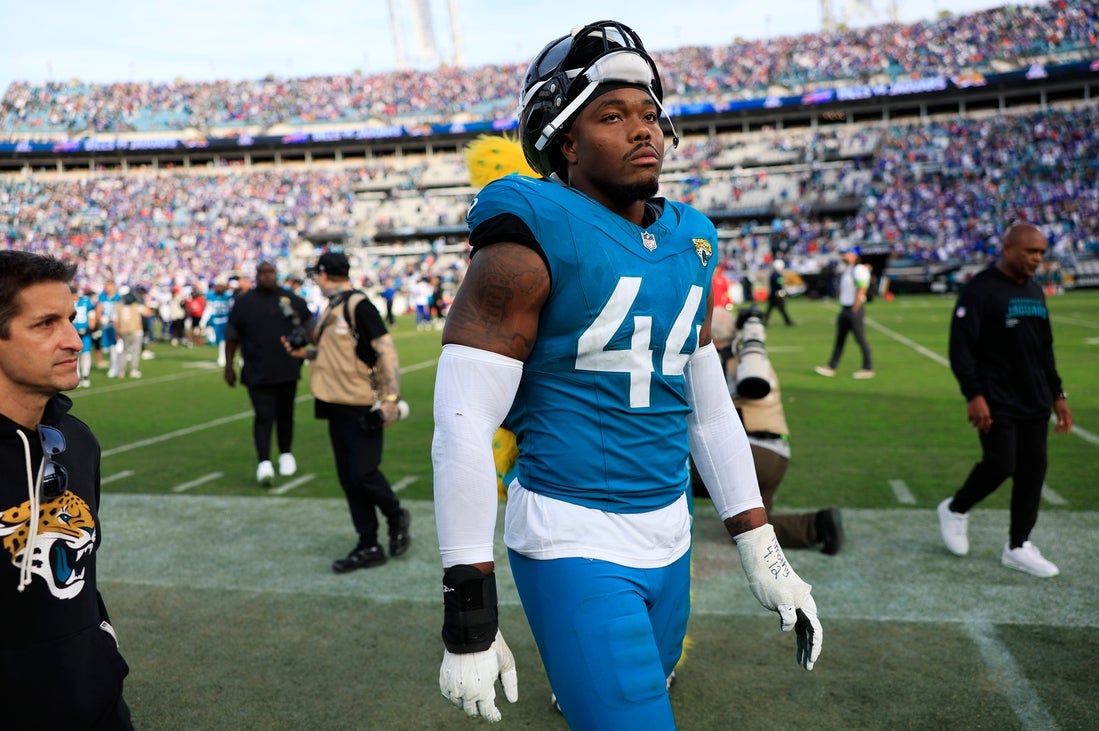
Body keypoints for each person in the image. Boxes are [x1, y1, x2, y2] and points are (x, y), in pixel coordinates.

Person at [431, 21, 821, 729]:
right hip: (571, 531)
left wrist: (760, 547)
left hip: (671, 529)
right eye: (611, 116)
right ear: (565, 142)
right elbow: (462, 423)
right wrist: (468, 613)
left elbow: (708, 412)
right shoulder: (527, 235)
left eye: (648, 114)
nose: (643, 129)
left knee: (653, 676)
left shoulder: (690, 239)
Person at [0, 250, 133, 728]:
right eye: (45, 324)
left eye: (72, 320)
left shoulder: (76, 440)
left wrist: (99, 652)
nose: (75, 340)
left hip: (97, 706)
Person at [938, 222, 1072, 578]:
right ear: (1008, 249)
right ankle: (955, 508)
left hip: (1035, 398)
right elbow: (960, 348)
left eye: (1041, 253)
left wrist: (1058, 394)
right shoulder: (980, 289)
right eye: (1031, 251)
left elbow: (1045, 349)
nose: (1037, 259)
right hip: (996, 398)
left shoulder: (1035, 290)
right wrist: (974, 394)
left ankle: (1018, 546)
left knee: (1033, 471)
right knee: (1000, 464)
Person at [284, 252, 410, 573]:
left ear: (324, 275)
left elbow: (386, 350)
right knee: (349, 479)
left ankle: (396, 515)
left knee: (364, 473)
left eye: (317, 275)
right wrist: (304, 353)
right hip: (334, 403)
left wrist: (391, 398)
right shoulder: (333, 306)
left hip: (360, 403)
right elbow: (332, 354)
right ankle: (368, 544)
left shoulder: (358, 305)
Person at [693, 307, 842, 553]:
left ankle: (659, 524)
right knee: (751, 529)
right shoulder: (753, 359)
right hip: (778, 454)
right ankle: (818, 525)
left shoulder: (723, 361)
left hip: (751, 453)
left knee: (675, 464)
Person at [224, 261, 312, 486]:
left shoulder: (289, 299)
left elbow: (311, 324)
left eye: (270, 272)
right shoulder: (244, 302)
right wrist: (229, 366)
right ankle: (263, 461)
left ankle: (286, 454)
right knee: (263, 416)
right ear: (256, 275)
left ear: (276, 274)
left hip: (287, 368)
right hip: (257, 369)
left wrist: (303, 340)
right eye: (262, 272)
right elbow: (232, 335)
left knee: (286, 414)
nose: (266, 276)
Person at [815, 247, 874, 379]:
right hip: (845, 307)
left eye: (847, 254)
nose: (844, 256)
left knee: (860, 339)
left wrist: (856, 306)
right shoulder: (849, 269)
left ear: (854, 255)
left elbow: (862, 288)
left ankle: (868, 368)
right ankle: (831, 366)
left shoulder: (859, 269)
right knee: (840, 339)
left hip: (854, 309)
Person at [72, 285, 97, 388]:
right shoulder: (68, 303)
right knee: (75, 355)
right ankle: (77, 376)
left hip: (85, 332)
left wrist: (91, 328)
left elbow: (92, 315)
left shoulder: (86, 301)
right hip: (73, 333)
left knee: (86, 353)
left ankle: (85, 376)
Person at [765, 259, 794, 326]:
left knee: (770, 310)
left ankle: (765, 322)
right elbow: (780, 286)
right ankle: (788, 322)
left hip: (773, 295)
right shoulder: (777, 275)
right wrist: (783, 294)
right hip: (777, 295)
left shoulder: (773, 274)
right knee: (781, 309)